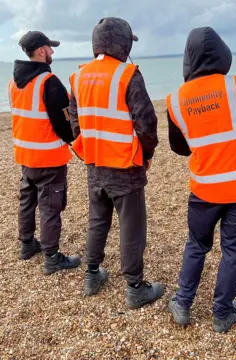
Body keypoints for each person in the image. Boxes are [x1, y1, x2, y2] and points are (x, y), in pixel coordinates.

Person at [165, 27, 236, 333]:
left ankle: (183, 302)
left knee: (196, 245)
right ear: (222, 55)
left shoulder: (176, 99)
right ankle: (221, 311)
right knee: (234, 251)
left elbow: (179, 147)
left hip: (204, 189)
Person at [68, 17, 164, 309]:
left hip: (95, 164)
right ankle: (135, 287)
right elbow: (146, 123)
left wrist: (87, 151)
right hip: (125, 166)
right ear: (123, 45)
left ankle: (92, 275)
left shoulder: (78, 76)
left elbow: (74, 123)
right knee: (131, 226)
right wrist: (146, 156)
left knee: (98, 221)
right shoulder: (128, 75)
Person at [8, 30, 81, 275]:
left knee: (27, 201)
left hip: (26, 155)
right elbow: (64, 121)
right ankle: (51, 257)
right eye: (50, 48)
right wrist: (75, 139)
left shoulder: (14, 82)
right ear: (41, 50)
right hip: (49, 157)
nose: (52, 52)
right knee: (50, 205)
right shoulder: (48, 82)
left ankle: (27, 245)